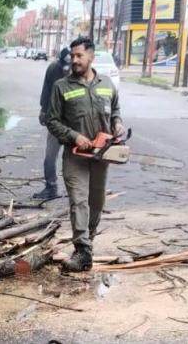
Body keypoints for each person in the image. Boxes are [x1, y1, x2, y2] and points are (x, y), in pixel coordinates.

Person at [46, 37, 125, 272]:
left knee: (96, 204)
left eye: (79, 55)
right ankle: (82, 250)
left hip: (102, 156)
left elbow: (116, 112)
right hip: (75, 157)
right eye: (73, 56)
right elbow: (52, 121)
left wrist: (118, 124)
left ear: (91, 56)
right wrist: (73, 136)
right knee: (79, 202)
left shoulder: (107, 84)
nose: (74, 60)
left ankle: (87, 245)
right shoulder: (62, 86)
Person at [35, 47, 71, 200]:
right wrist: (43, 110)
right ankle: (51, 187)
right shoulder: (52, 69)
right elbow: (46, 90)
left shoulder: (81, 72)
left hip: (74, 123)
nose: (65, 70)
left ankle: (77, 191)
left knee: (74, 160)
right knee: (50, 156)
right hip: (55, 121)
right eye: (63, 67)